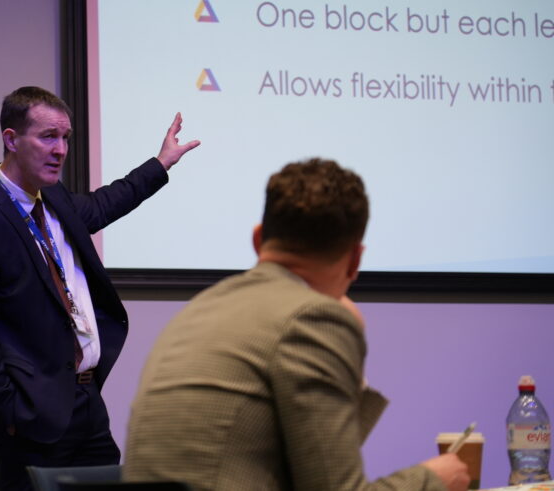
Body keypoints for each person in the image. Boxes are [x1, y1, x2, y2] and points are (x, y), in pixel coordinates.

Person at [123, 158, 470, 491]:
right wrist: (433, 481)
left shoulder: (200, 309)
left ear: (258, 239)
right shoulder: (312, 318)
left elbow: (309, 466)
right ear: (355, 260)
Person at [0, 86, 199, 491]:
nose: (61, 150)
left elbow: (103, 204)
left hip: (86, 402)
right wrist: (9, 409)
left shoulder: (53, 198)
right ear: (11, 139)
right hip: (29, 416)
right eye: (48, 137)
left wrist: (161, 163)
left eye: (66, 138)